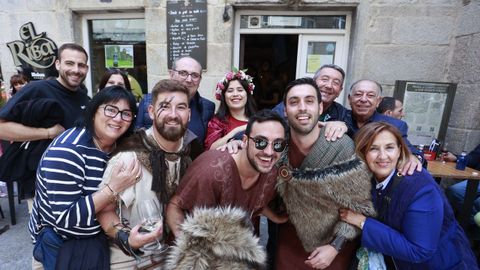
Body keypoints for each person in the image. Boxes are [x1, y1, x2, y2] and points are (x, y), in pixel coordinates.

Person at [29, 86, 141, 270]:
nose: (118, 118)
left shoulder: (114, 147)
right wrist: (113, 188)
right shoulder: (67, 151)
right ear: (93, 110)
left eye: (126, 114)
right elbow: (66, 220)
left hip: (96, 237)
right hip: (63, 241)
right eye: (111, 110)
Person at [339, 122, 478, 269]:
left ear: (399, 150)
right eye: (373, 149)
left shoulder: (420, 188)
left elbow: (419, 251)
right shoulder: (370, 177)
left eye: (389, 147)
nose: (383, 156)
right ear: (362, 153)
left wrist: (362, 222)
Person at [269, 77, 374, 270]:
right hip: (288, 240)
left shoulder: (342, 148)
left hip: (332, 246)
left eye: (309, 101)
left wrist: (335, 247)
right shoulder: (276, 145)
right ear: (285, 110)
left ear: (319, 107)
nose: (302, 108)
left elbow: (360, 206)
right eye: (294, 102)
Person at [96, 79, 198, 269]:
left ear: (189, 114)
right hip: (131, 259)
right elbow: (104, 211)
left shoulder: (190, 153)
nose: (173, 115)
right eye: (165, 107)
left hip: (174, 255)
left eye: (181, 107)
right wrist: (126, 238)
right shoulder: (129, 158)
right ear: (151, 112)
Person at [166, 109, 289, 237]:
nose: (269, 152)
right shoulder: (211, 170)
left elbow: (256, 202)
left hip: (237, 248)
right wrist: (190, 247)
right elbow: (175, 206)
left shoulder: (271, 173)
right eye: (260, 142)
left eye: (278, 144)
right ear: (245, 141)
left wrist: (278, 218)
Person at [0, 43, 91, 210]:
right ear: (57, 64)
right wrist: (47, 132)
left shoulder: (84, 98)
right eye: (69, 63)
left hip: (77, 183)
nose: (76, 70)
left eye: (81, 65)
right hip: (41, 186)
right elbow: (2, 128)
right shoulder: (37, 89)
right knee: (47, 235)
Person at [345, 79, 422, 175]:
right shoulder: (341, 117)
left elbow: (410, 150)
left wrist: (413, 156)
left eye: (370, 95)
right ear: (349, 99)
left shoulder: (394, 125)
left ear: (378, 101)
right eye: (358, 94)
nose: (363, 99)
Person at [136, 56, 215, 147]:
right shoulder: (147, 101)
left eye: (195, 75)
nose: (189, 80)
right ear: (171, 74)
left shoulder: (208, 107)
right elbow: (138, 137)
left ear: (200, 79)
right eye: (183, 73)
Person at [272, 64, 350, 140]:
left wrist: (344, 126)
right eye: (324, 79)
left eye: (336, 83)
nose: (329, 86)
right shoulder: (289, 107)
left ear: (340, 91)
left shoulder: (342, 113)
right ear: (313, 82)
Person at [204, 68, 256, 150]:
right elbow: (210, 149)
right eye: (230, 91)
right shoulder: (217, 122)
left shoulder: (257, 120)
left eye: (240, 90)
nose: (235, 94)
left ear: (247, 94)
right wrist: (237, 130)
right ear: (224, 96)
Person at [445, 143, 480, 223]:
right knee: (453, 191)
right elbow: (473, 158)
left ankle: (469, 224)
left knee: (478, 202)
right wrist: (456, 158)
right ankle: (468, 222)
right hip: (477, 178)